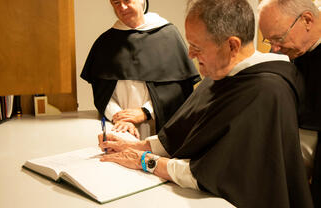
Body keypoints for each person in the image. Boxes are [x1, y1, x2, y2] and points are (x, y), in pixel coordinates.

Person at [97, 0, 314, 207]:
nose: (190, 54)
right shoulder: (220, 72)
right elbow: (187, 132)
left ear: (232, 46)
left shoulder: (267, 92)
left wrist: (145, 161)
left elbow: (218, 174)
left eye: (197, 47)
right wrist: (139, 146)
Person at [80, 0, 199, 140]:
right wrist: (119, 116)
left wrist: (146, 112)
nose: (122, 7)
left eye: (127, 0)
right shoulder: (105, 42)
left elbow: (179, 90)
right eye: (116, 3)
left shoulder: (168, 35)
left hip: (160, 132)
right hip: (120, 129)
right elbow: (101, 93)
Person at [258, 0, 321, 206]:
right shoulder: (291, 50)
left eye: (279, 38)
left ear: (307, 20)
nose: (276, 48)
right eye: (269, 40)